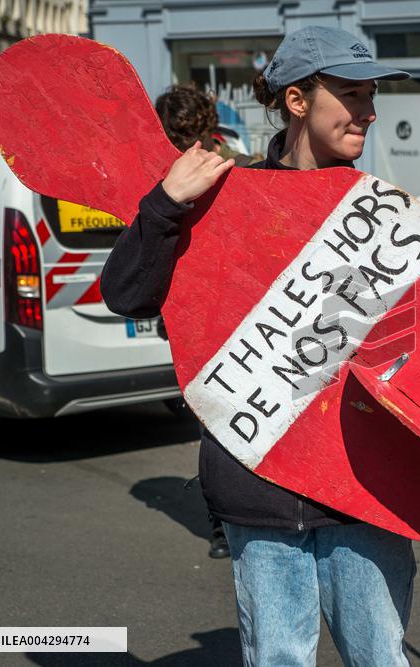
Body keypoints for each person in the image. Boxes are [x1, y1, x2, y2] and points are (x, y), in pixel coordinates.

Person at [101, 26, 415, 666]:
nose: (369, 111)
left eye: (371, 95)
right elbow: (126, 293)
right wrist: (165, 204)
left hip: (364, 491)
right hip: (259, 491)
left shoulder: (380, 214)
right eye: (352, 94)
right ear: (297, 101)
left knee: (380, 658)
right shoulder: (223, 198)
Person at [152, 83, 255, 560]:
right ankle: (232, 521)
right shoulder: (244, 165)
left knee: (214, 423)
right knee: (239, 418)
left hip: (207, 318)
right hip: (243, 314)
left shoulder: (167, 179)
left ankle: (223, 527)